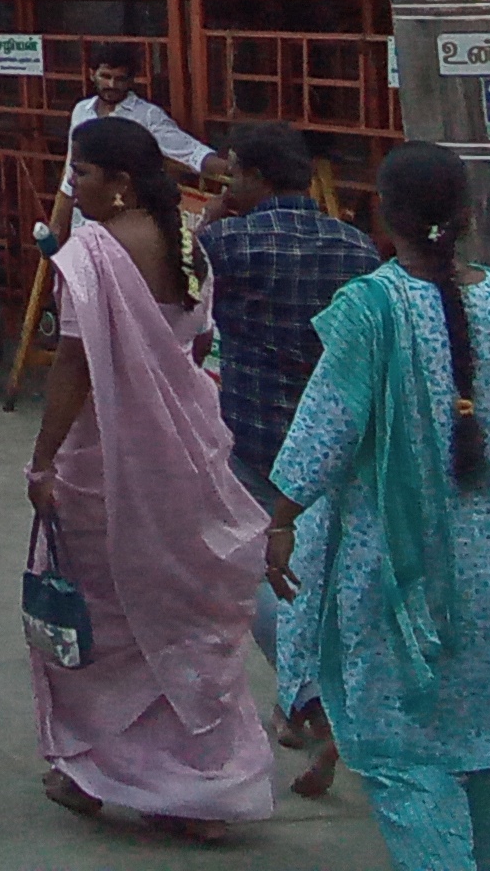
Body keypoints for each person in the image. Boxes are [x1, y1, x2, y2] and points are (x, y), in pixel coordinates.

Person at [263, 142, 490, 871]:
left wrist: (281, 518)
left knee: (402, 759)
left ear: (383, 214)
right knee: (486, 746)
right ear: (468, 215)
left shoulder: (371, 308)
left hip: (400, 583)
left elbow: (326, 426)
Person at [27, 115, 272, 842]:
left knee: (103, 619)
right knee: (183, 618)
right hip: (184, 453)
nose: (72, 184)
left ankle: (95, 775)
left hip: (106, 457)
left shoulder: (91, 253)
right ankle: (196, 789)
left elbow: (74, 366)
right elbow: (194, 347)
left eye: (82, 172)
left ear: (120, 183)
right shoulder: (190, 246)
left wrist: (42, 459)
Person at [194, 120, 378, 792]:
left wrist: (210, 218)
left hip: (252, 431)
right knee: (324, 570)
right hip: (333, 437)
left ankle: (309, 697)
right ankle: (328, 700)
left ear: (255, 177)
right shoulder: (356, 246)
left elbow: (182, 290)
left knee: (258, 570)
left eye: (234, 173)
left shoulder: (228, 242)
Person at [41, 50, 211, 250]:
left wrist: (228, 168)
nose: (112, 85)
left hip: (125, 229)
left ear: (131, 80)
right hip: (84, 230)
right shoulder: (81, 111)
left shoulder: (147, 116)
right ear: (92, 74)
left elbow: (192, 153)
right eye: (106, 76)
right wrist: (56, 230)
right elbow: (69, 179)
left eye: (120, 79)